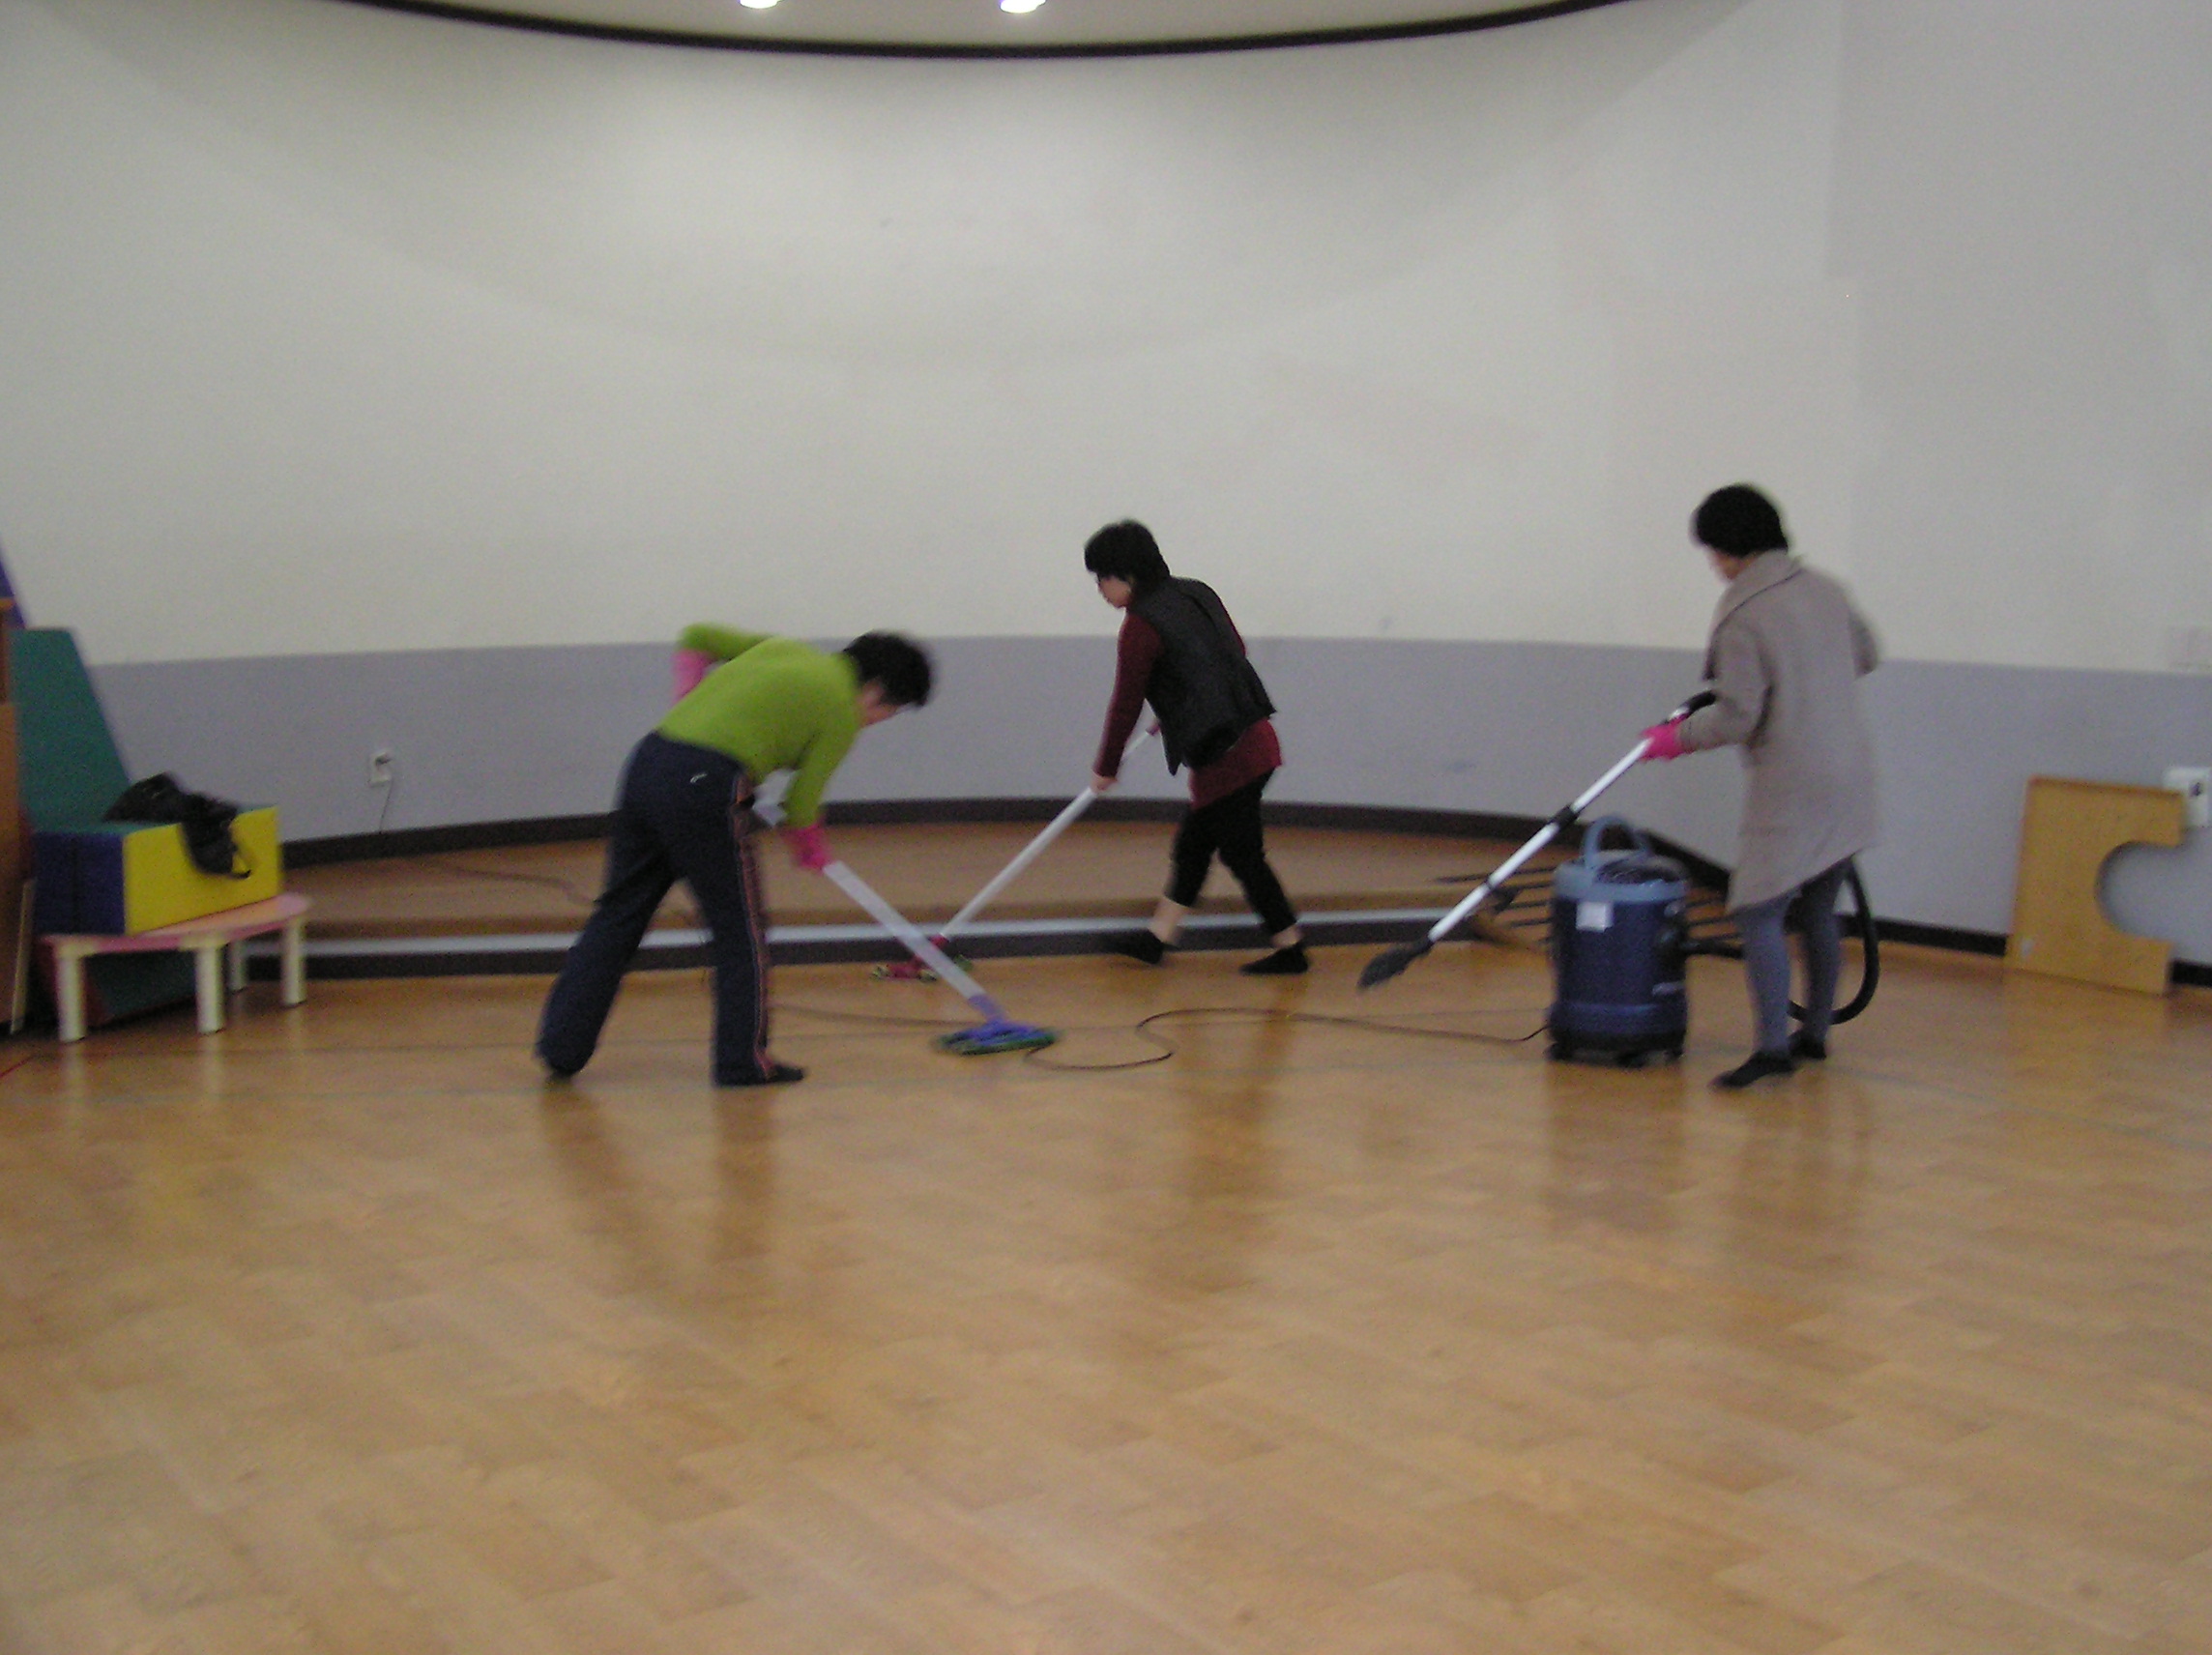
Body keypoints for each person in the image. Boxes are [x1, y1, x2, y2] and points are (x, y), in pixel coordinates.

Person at [537, 627, 933, 1087]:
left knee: (619, 912)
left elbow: (697, 637)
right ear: (875, 690)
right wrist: (811, 849)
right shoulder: (841, 711)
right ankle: (741, 1061)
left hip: (649, 761)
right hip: (708, 786)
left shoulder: (784, 649)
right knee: (740, 929)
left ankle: (561, 1047)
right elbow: (801, 804)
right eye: (888, 712)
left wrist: (689, 698)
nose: (877, 721)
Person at [1640, 485, 1879, 1089]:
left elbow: (1738, 717)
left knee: (1757, 909)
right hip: (1851, 771)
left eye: (1714, 553)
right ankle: (1814, 1035)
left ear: (1733, 549)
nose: (1714, 566)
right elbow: (1867, 654)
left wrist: (1676, 739)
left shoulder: (1745, 613)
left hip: (1794, 779)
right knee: (1819, 907)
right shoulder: (1825, 589)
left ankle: (1773, 1050)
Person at [1084, 520, 1307, 975]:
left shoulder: (1140, 627)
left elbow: (1126, 703)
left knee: (1241, 854)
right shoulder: (1195, 592)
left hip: (1229, 759)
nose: (1100, 590)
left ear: (1126, 575)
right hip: (1254, 738)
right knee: (1194, 846)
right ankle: (1157, 939)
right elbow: (1229, 652)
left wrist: (1106, 766)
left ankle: (1291, 948)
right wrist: (1179, 704)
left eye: (1102, 578)